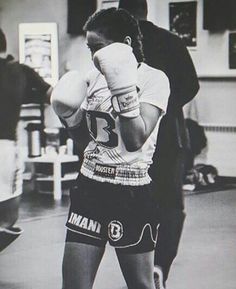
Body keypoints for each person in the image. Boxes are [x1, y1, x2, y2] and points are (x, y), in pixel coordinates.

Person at [51, 8, 170, 289]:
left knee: (140, 285)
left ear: (125, 45)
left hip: (131, 192)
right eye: (90, 48)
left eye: (99, 48)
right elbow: (86, 143)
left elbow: (134, 139)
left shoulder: (155, 79)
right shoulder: (92, 79)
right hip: (90, 189)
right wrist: (69, 117)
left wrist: (123, 88)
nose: (94, 57)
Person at [118, 1, 200, 288]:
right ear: (146, 10)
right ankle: (160, 265)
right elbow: (191, 85)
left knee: (132, 202)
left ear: (120, 11)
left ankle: (140, 267)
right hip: (168, 136)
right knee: (170, 206)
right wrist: (162, 106)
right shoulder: (171, 41)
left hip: (130, 137)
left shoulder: (117, 46)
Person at [0, 28, 52, 252]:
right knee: (8, 218)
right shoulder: (21, 71)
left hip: (5, 149)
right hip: (6, 149)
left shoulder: (20, 71)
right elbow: (55, 95)